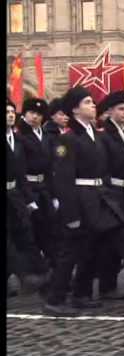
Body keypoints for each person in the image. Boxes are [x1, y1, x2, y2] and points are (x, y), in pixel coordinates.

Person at [43, 86, 124, 316]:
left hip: (100, 198)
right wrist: (71, 215)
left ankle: (82, 293)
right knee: (71, 251)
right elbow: (63, 180)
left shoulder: (96, 135)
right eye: (88, 102)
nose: (93, 105)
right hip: (81, 200)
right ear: (74, 109)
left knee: (93, 248)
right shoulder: (68, 140)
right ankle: (55, 298)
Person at [7, 98, 49, 295]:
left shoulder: (16, 140)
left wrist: (28, 198)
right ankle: (25, 275)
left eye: (11, 111)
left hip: (14, 193)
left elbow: (21, 172)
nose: (9, 115)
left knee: (23, 233)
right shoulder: (19, 139)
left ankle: (39, 273)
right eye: (6, 112)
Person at [17, 98, 59, 269]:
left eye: (39, 114)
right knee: (32, 231)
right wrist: (28, 198)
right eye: (32, 113)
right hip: (29, 188)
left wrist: (55, 194)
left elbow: (51, 168)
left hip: (45, 188)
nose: (35, 117)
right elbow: (20, 170)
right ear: (25, 114)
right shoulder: (19, 137)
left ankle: (53, 268)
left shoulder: (47, 136)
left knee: (51, 229)